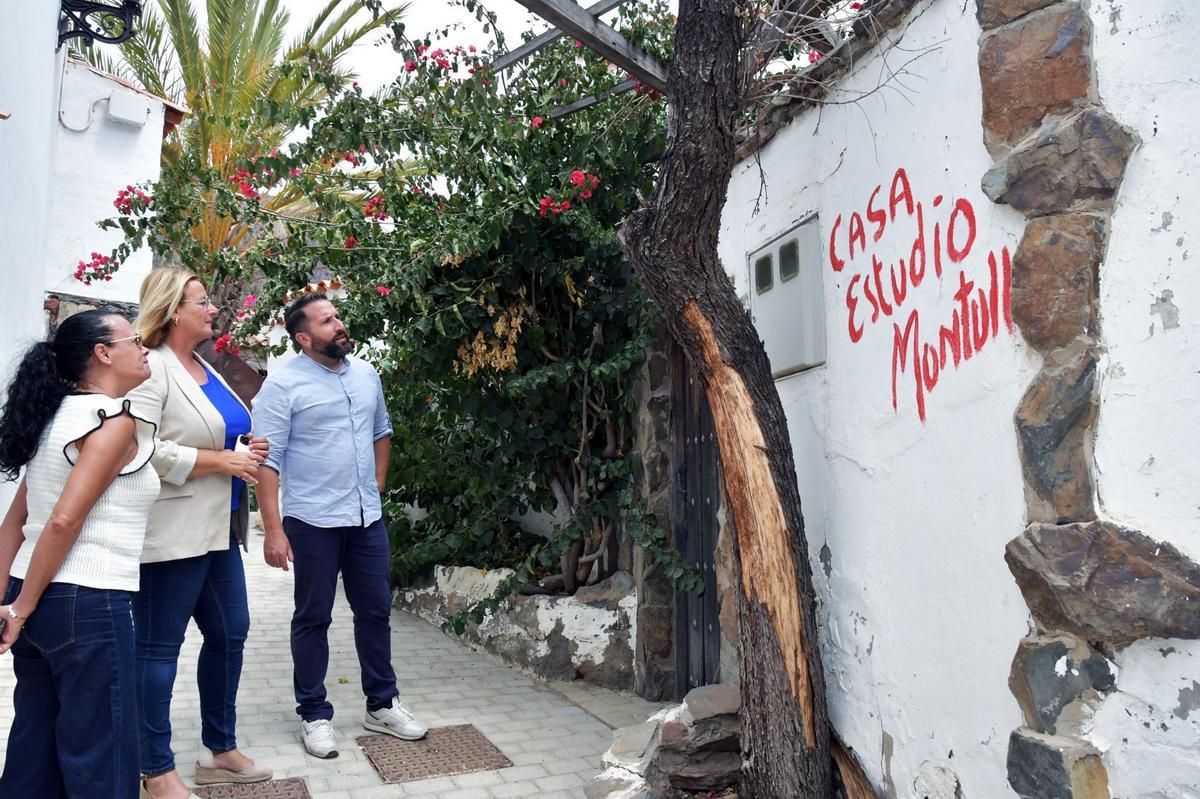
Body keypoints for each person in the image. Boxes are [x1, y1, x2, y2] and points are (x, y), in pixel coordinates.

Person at [252, 292, 426, 759]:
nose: (339, 325)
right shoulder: (283, 385)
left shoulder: (366, 373)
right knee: (314, 617)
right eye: (328, 321)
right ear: (304, 337)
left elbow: (381, 431)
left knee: (375, 611)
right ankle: (313, 712)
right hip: (312, 521)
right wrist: (273, 530)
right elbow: (266, 462)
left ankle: (382, 704)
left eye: (337, 317)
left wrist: (378, 484)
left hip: (367, 518)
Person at [127, 268, 272, 799]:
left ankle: (221, 749)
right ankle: (154, 768)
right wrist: (220, 461)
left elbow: (227, 437)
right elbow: (139, 450)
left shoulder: (206, 365)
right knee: (158, 650)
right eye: (202, 302)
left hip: (220, 532)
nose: (212, 310)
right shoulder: (152, 370)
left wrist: (245, 454)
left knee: (232, 633)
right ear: (171, 310)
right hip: (172, 532)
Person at [0, 309, 157, 798]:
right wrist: (19, 611)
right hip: (89, 602)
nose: (145, 347)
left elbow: (14, 524)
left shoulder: (54, 419)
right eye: (135, 339)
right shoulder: (112, 422)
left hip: (32, 593)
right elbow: (64, 521)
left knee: (35, 747)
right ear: (103, 353)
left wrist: (11, 604)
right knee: (101, 758)